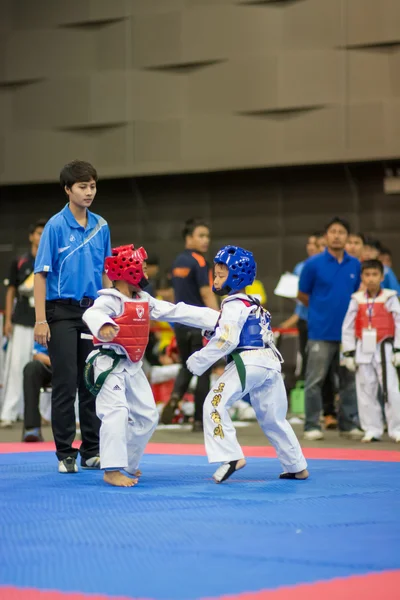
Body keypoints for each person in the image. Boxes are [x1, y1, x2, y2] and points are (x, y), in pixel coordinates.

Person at [82, 244, 219, 487]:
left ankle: (128, 464)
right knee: (116, 413)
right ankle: (111, 469)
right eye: (142, 268)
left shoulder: (144, 300)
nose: (146, 273)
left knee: (147, 416)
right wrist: (103, 324)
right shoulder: (110, 300)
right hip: (108, 364)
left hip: (133, 366)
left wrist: (215, 318)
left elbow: (177, 311)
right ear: (128, 271)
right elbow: (92, 314)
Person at [186, 245, 308, 484]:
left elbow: (227, 339)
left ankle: (231, 456)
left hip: (249, 361)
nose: (217, 279)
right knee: (274, 419)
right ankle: (297, 466)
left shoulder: (232, 305)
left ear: (236, 277)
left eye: (222, 275)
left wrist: (198, 361)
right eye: (216, 274)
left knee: (213, 403)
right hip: (271, 364)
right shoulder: (253, 302)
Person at [33, 160, 112, 474]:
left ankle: (91, 451)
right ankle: (65, 453)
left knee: (91, 382)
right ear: (68, 190)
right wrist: (41, 320)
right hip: (61, 313)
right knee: (65, 382)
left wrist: (111, 312)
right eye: (82, 186)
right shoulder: (54, 227)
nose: (89, 192)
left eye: (92, 185)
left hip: (92, 312)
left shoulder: (101, 226)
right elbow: (41, 275)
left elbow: (107, 273)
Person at [298, 217, 363, 440]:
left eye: (341, 232)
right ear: (326, 237)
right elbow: (302, 294)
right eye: (333, 231)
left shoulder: (355, 264)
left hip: (348, 334)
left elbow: (356, 295)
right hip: (320, 332)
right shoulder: (313, 264)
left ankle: (348, 424)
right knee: (315, 380)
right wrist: (320, 311)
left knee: (348, 380)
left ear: (347, 237)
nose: (337, 235)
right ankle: (311, 425)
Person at [161, 218, 218, 431]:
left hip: (181, 323)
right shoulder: (201, 262)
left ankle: (176, 397)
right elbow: (206, 293)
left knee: (187, 364)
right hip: (199, 324)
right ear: (189, 237)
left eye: (207, 236)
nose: (206, 241)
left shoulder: (177, 262)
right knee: (203, 370)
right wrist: (218, 319)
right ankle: (199, 420)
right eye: (201, 236)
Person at [342, 259, 400, 443]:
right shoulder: (356, 299)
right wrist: (349, 352)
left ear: (382, 277)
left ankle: (396, 429)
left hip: (385, 347)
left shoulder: (390, 297)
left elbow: (399, 323)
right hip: (363, 348)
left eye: (375, 274)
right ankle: (372, 429)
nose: (371, 278)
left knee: (391, 388)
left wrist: (398, 348)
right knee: (365, 389)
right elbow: (348, 327)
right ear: (362, 277)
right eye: (367, 274)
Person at [0, 219, 46, 427]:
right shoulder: (20, 261)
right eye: (37, 233)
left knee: (43, 366)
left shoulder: (51, 260)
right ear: (31, 236)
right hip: (21, 321)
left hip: (44, 322)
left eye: (44, 233)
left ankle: (45, 413)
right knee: (17, 365)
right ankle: (9, 412)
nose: (40, 236)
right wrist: (8, 320)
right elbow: (11, 292)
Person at [22, 341, 52, 442]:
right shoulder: (44, 325)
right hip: (51, 365)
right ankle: (32, 428)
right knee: (31, 368)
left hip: (73, 366)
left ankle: (90, 431)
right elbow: (37, 355)